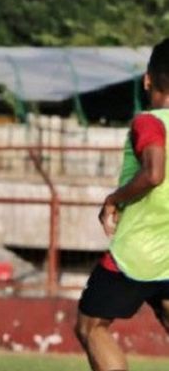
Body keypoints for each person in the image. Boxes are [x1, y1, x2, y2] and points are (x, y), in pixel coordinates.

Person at [76, 39, 169, 371]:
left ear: (148, 80)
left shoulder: (149, 122)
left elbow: (154, 173)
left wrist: (113, 199)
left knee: (90, 326)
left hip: (139, 248)